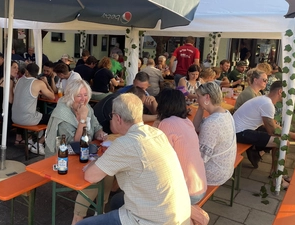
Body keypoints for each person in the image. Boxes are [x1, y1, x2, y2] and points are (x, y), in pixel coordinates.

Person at [76, 93, 191, 225]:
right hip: (180, 212)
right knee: (117, 201)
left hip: (153, 220)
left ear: (118, 118)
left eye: (111, 116)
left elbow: (90, 176)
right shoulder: (156, 132)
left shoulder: (125, 143)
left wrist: (98, 160)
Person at [41, 80, 108, 224]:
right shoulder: (62, 114)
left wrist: (100, 134)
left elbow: (96, 127)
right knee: (93, 177)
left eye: (85, 95)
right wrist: (82, 120)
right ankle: (78, 217)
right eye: (79, 96)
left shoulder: (86, 107)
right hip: (62, 158)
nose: (83, 99)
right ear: (71, 97)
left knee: (108, 172)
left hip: (82, 154)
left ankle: (100, 209)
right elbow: (75, 144)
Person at [233, 81, 295, 172]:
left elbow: (271, 125)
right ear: (280, 92)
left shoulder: (264, 100)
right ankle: (277, 177)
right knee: (283, 143)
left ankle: (275, 172)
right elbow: (272, 131)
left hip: (241, 129)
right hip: (240, 133)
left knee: (280, 139)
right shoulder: (267, 104)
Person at [154, 88, 207, 205]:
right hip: (200, 185)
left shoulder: (166, 124)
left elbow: (158, 157)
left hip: (186, 192)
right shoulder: (187, 121)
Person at [192, 82, 237, 186]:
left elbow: (201, 158)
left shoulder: (212, 123)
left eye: (199, 97)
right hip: (226, 168)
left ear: (207, 97)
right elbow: (196, 127)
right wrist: (200, 107)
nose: (197, 100)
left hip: (214, 174)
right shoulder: (225, 113)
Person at [12, 63, 55, 155]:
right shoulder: (38, 83)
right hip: (27, 119)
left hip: (14, 117)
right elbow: (52, 97)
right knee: (54, 118)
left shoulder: (19, 80)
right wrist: (46, 83)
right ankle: (39, 144)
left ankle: (30, 140)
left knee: (37, 113)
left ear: (26, 71)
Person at [0, 61, 23, 141]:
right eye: (14, 67)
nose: (16, 70)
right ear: (7, 68)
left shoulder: (1, 79)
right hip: (0, 113)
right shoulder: (9, 81)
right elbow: (10, 101)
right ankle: (19, 137)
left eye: (17, 68)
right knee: (21, 114)